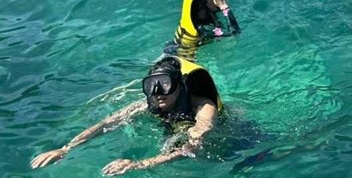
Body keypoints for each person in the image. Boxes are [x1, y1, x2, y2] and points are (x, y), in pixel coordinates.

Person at [30, 56, 221, 175]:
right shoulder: (147, 104)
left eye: (165, 85)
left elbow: (194, 147)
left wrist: (139, 164)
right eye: (151, 86)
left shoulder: (204, 107)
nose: (158, 93)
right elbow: (107, 123)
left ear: (180, 85)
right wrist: (66, 148)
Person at [165, 0, 241, 61]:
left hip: (172, 47)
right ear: (204, 0)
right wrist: (223, 6)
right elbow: (234, 33)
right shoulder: (203, 27)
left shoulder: (197, 13)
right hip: (182, 57)